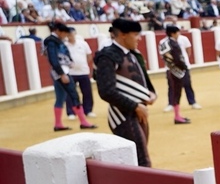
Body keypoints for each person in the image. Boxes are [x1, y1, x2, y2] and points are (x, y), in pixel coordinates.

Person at [94, 18, 156, 166]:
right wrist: (135, 106)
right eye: (136, 35)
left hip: (138, 111)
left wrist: (150, 93)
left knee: (140, 155)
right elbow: (106, 91)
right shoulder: (107, 56)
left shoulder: (132, 54)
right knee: (140, 160)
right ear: (123, 35)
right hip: (122, 114)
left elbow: (142, 78)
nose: (139, 38)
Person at [43, 22, 97, 131]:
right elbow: (53, 59)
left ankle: (58, 124)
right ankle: (83, 122)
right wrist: (62, 74)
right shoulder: (52, 42)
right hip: (62, 72)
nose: (65, 36)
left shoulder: (55, 41)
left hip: (61, 71)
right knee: (73, 95)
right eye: (64, 34)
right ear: (58, 31)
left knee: (60, 97)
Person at [158, 26, 196, 125]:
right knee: (177, 92)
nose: (178, 34)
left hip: (170, 69)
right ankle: (177, 116)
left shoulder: (163, 43)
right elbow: (178, 59)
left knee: (175, 91)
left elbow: (164, 57)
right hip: (178, 71)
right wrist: (183, 67)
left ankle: (177, 115)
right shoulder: (173, 44)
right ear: (173, 33)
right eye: (177, 32)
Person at [65, 27, 95, 120]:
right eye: (69, 35)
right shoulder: (64, 45)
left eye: (72, 34)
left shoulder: (83, 44)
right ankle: (71, 112)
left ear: (75, 34)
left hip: (83, 71)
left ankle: (88, 110)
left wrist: (83, 64)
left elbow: (89, 56)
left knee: (87, 92)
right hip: (70, 72)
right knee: (71, 93)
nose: (71, 36)